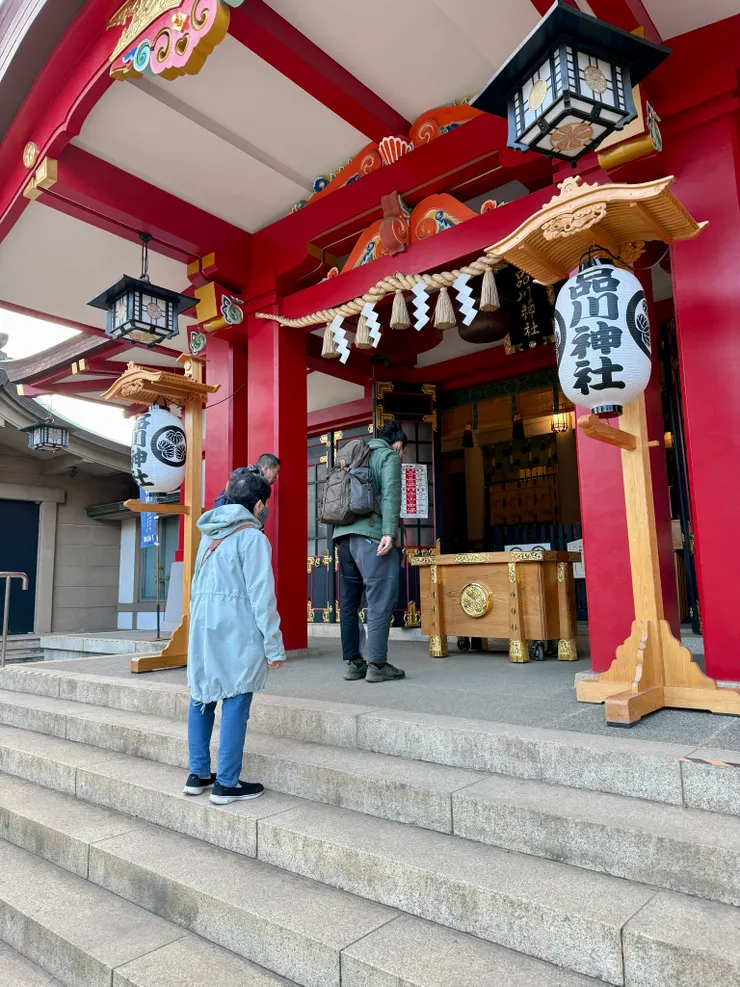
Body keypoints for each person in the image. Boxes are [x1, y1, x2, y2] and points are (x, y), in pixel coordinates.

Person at [184, 467, 285, 805]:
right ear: (258, 504)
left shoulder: (207, 533)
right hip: (236, 627)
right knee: (237, 695)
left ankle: (197, 774)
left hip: (203, 624)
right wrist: (274, 646)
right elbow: (262, 596)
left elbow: (196, 585)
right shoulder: (253, 538)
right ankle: (227, 783)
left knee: (201, 694)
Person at [333, 419, 408, 683]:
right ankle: (377, 664)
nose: (403, 455)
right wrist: (389, 531)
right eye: (404, 450)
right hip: (372, 537)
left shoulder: (356, 455)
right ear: (398, 444)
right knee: (380, 601)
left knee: (350, 603)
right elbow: (390, 494)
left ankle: (354, 663)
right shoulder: (389, 456)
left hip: (343, 538)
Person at [213, 454, 280, 508]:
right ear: (265, 469)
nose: (276, 477)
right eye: (276, 472)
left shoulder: (243, 474)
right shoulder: (253, 481)